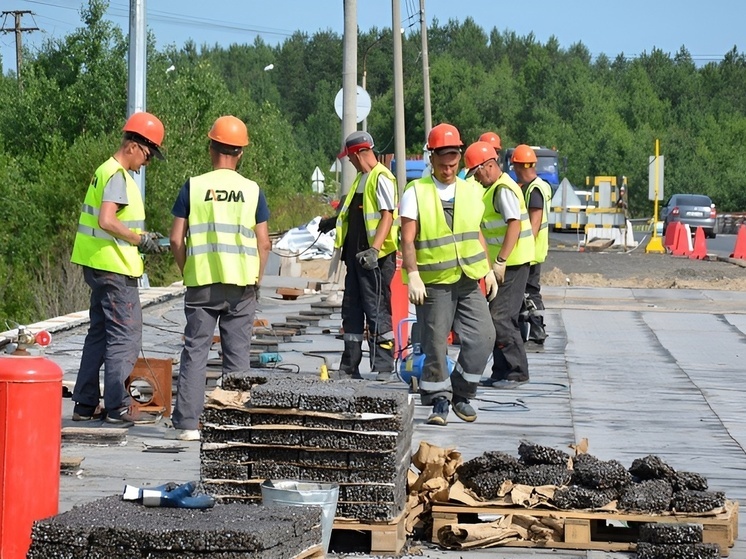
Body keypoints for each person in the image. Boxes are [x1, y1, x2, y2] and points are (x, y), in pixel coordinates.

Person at [167, 116, 271, 441]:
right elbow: (264, 242)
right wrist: (256, 278)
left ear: (211, 147)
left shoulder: (194, 186)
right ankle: (233, 423)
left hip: (201, 283)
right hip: (241, 286)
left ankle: (187, 425)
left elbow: (174, 239)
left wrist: (188, 269)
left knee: (195, 351)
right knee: (237, 356)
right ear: (240, 153)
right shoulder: (252, 191)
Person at [70, 111, 166, 426]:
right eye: (148, 155)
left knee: (99, 334)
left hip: (98, 265)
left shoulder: (105, 171)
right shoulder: (117, 176)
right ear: (134, 146)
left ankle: (84, 404)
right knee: (125, 336)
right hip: (114, 270)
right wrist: (139, 239)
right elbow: (107, 220)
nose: (147, 163)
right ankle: (118, 408)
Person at [400, 123, 498, 426]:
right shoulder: (416, 191)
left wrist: (489, 268)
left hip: (468, 279)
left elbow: (475, 231)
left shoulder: (470, 190)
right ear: (432, 158)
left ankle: (462, 392)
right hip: (434, 283)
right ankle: (439, 401)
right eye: (442, 164)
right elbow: (407, 237)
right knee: (435, 343)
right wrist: (412, 273)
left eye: (453, 163)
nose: (448, 169)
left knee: (484, 337)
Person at [319, 131, 399, 381]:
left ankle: (383, 366)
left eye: (350, 158)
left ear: (356, 154)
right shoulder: (362, 180)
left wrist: (375, 249)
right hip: (356, 258)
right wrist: (332, 223)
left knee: (376, 310)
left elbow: (388, 215)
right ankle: (349, 366)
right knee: (352, 311)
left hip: (375, 258)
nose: (349, 163)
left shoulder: (381, 178)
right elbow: (354, 215)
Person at [464, 141, 535, 389]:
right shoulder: (492, 188)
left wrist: (501, 261)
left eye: (477, 173)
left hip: (513, 263)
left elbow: (513, 224)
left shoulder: (503, 189)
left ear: (489, 166)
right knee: (496, 317)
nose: (477, 178)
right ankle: (501, 371)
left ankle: (517, 372)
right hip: (502, 264)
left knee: (501, 318)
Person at [512, 144, 552, 345]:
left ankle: (537, 328)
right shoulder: (542, 185)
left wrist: (524, 248)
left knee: (529, 290)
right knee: (529, 290)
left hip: (532, 250)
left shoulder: (534, 190)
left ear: (519, 166)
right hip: (537, 249)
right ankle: (532, 327)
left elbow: (534, 222)